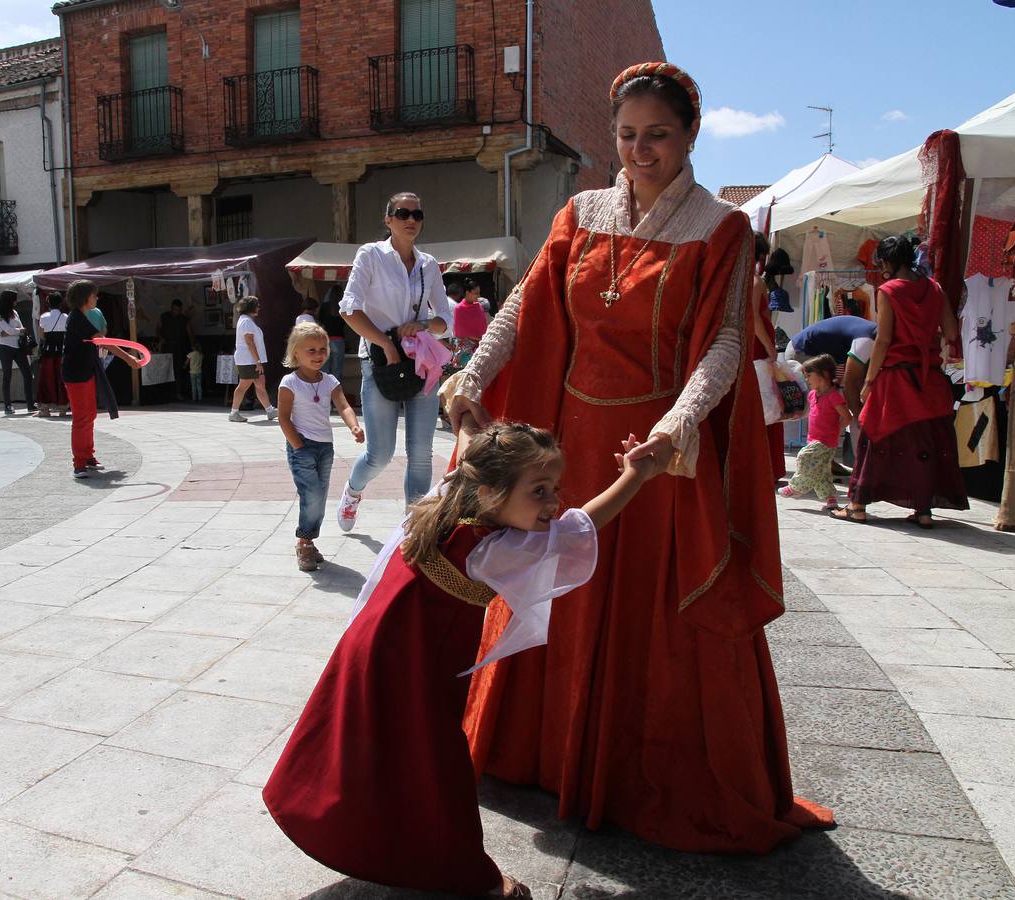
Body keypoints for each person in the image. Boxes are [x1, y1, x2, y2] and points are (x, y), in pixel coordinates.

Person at [447, 62, 833, 851]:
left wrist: (680, 422)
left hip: (655, 459)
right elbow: (525, 305)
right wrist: (473, 372)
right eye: (626, 135)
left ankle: (632, 776)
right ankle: (541, 754)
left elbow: (726, 338)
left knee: (650, 615)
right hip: (564, 450)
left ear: (690, 134)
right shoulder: (581, 210)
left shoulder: (720, 229)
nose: (639, 150)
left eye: (657, 135)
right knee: (554, 594)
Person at [264, 422, 654, 899]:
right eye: (539, 490)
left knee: (372, 742)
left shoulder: (447, 500)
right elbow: (580, 530)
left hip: (377, 642)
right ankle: (474, 878)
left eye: (554, 488)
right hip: (415, 663)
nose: (553, 503)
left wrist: (467, 414)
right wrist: (635, 475)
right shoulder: (493, 548)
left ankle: (370, 829)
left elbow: (471, 444)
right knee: (437, 764)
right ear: (490, 491)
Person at [336, 191, 453, 527]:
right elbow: (349, 308)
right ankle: (353, 492)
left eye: (417, 215)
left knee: (420, 454)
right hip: (378, 361)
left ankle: (411, 528)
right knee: (380, 454)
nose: (411, 220)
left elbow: (445, 320)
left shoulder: (428, 265)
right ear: (388, 219)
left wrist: (425, 324)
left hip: (421, 362)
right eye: (403, 213)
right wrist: (385, 344)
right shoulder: (371, 255)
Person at [833, 235, 967, 527]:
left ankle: (857, 506)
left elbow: (883, 339)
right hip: (929, 377)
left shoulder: (889, 290)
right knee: (924, 443)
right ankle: (923, 511)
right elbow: (951, 332)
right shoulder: (935, 288)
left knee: (876, 436)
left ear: (887, 262)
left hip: (896, 377)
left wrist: (869, 381)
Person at [277, 322, 365, 572]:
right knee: (312, 494)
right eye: (311, 350)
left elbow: (344, 406)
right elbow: (283, 417)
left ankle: (309, 540)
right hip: (301, 446)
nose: (318, 355)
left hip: (326, 448)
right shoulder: (289, 382)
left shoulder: (330, 381)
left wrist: (354, 426)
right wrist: (297, 445)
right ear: (296, 353)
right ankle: (304, 542)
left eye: (322, 349)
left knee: (320, 496)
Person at [62, 280, 140, 479]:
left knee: (90, 415)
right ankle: (79, 463)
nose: (97, 298)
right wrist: (129, 357)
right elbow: (104, 341)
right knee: (81, 417)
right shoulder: (77, 319)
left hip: (86, 371)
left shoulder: (83, 316)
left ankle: (88, 456)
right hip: (76, 374)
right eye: (94, 295)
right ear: (85, 298)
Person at [777, 354, 850, 508]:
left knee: (804, 456)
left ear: (824, 375)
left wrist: (835, 431)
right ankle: (831, 500)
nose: (807, 380)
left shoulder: (834, 397)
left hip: (825, 441)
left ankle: (796, 487)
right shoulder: (812, 395)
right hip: (814, 438)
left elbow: (847, 417)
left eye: (809, 375)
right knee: (822, 473)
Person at [751, 234, 787, 481]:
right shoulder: (755, 282)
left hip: (750, 348)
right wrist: (771, 349)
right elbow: (754, 318)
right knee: (769, 404)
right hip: (758, 348)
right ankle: (767, 465)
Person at [229, 296, 277, 422]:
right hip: (248, 360)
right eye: (257, 305)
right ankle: (234, 412)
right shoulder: (246, 322)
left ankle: (270, 410)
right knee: (243, 385)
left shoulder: (247, 321)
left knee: (260, 383)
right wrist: (258, 362)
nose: (259, 308)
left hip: (251, 360)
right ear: (252, 308)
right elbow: (250, 342)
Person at [0, 291, 36, 415]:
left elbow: (15, 330)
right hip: (5, 348)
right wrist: (18, 331)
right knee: (7, 376)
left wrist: (14, 331)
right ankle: (7, 405)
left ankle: (30, 404)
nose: (16, 302)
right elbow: (7, 330)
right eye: (14, 299)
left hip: (18, 347)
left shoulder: (15, 313)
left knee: (28, 374)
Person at [788, 315, 877, 365]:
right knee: (819, 391)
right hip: (801, 350)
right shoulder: (866, 339)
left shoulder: (870, 330)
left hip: (805, 347)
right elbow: (851, 382)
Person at [35, 292, 70, 417]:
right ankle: (63, 408)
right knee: (61, 378)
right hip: (61, 350)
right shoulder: (65, 317)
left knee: (46, 377)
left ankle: (45, 408)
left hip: (48, 350)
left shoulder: (44, 317)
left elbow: (41, 335)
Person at [159, 298, 195, 400]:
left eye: (178, 310)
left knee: (178, 370)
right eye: (175, 310)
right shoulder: (164, 316)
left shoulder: (184, 319)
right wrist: (160, 338)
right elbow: (158, 328)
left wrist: (193, 346)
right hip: (167, 346)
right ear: (171, 308)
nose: (176, 312)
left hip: (179, 346)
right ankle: (166, 393)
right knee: (166, 369)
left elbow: (190, 333)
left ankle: (178, 393)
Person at [318, 289, 348, 397]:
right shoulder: (343, 306)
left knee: (324, 371)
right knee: (337, 371)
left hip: (325, 340)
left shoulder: (325, 306)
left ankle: (324, 398)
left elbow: (320, 321)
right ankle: (336, 400)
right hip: (339, 339)